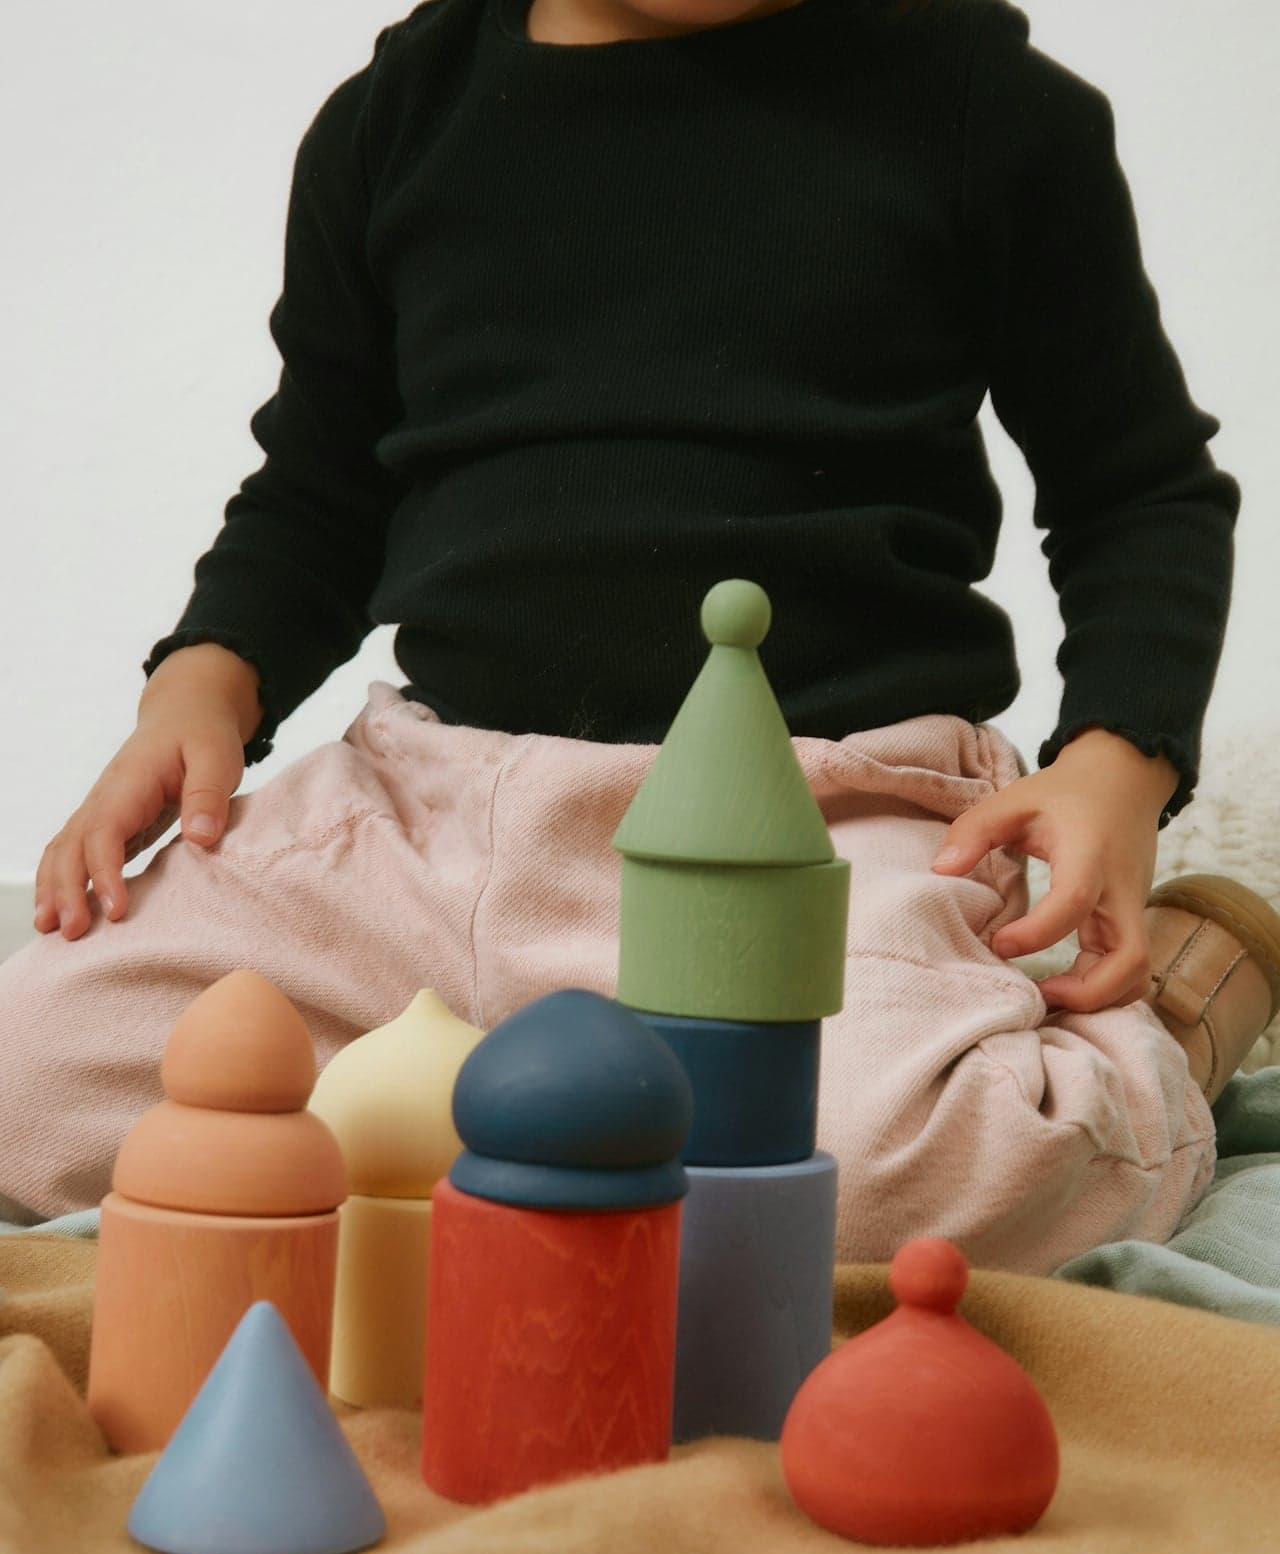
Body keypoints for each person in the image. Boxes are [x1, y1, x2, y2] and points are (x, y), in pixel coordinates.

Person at [2, 0, 1276, 1272]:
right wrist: (201, 687)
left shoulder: (980, 105)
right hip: (431, 807)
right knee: (33, 1084)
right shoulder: (397, 115)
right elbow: (319, 487)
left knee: (884, 1196)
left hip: (815, 812)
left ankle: (1174, 1010)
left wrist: (1116, 765)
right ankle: (554, 1121)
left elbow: (1139, 490)